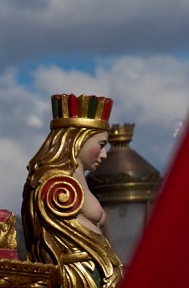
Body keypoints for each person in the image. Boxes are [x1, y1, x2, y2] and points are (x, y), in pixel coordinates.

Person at [22, 93, 122, 288]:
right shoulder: (54, 183)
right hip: (77, 276)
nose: (104, 154)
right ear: (78, 139)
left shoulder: (72, 181)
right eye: (101, 145)